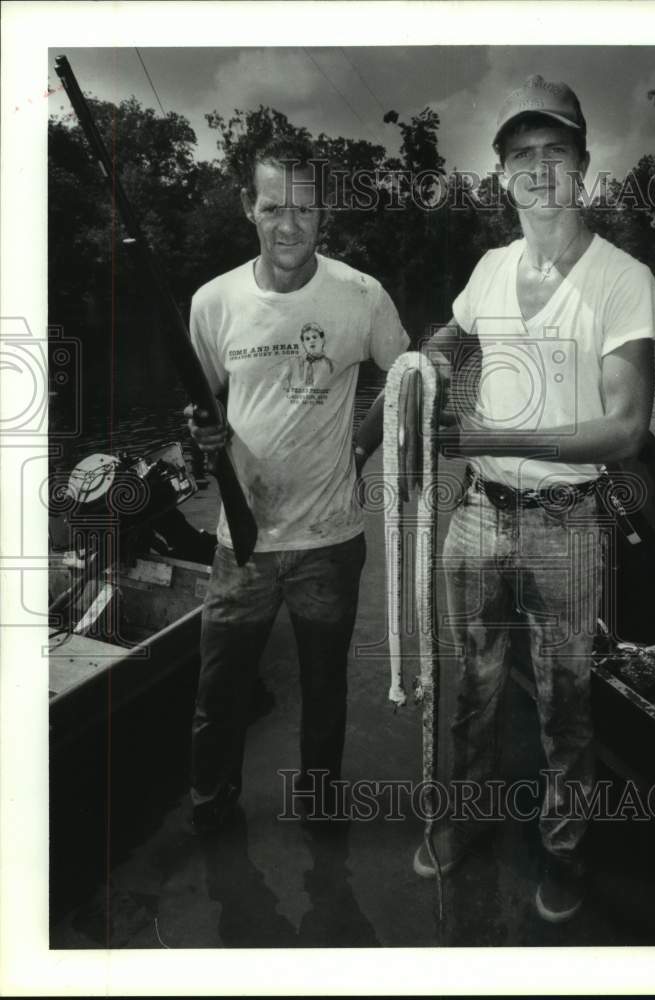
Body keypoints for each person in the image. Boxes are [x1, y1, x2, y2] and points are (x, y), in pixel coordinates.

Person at [412, 75, 655, 922]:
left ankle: (564, 853)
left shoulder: (623, 280)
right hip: (477, 514)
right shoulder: (490, 268)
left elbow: (626, 430)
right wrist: (434, 357)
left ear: (584, 166)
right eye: (521, 154)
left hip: (567, 522)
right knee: (471, 691)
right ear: (503, 176)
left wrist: (488, 439)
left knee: (565, 703)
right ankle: (466, 819)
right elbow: (458, 328)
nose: (537, 167)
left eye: (554, 150)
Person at [186, 136, 409, 834]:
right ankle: (211, 808)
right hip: (241, 540)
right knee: (218, 694)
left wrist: (362, 445)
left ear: (326, 215)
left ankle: (319, 808)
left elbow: (409, 383)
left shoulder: (360, 296)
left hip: (331, 541)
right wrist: (200, 436)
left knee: (324, 689)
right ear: (247, 207)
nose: (290, 225)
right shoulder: (212, 302)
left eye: (306, 210)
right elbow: (199, 410)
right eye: (274, 206)